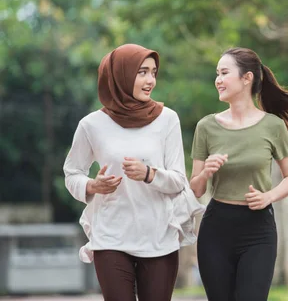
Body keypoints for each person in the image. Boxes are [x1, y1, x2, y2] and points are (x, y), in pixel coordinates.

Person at [190, 47, 288, 301]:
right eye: (217, 74)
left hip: (257, 230)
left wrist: (268, 196)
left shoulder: (273, 126)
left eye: (224, 73)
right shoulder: (206, 127)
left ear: (247, 78)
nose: (218, 80)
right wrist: (206, 173)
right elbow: (196, 189)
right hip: (216, 229)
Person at [63, 44, 202, 301]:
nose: (151, 80)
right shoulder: (91, 124)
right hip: (111, 236)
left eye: (154, 72)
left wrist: (149, 173)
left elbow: (179, 181)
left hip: (158, 237)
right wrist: (94, 185)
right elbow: (72, 173)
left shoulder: (167, 119)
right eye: (142, 72)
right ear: (121, 75)